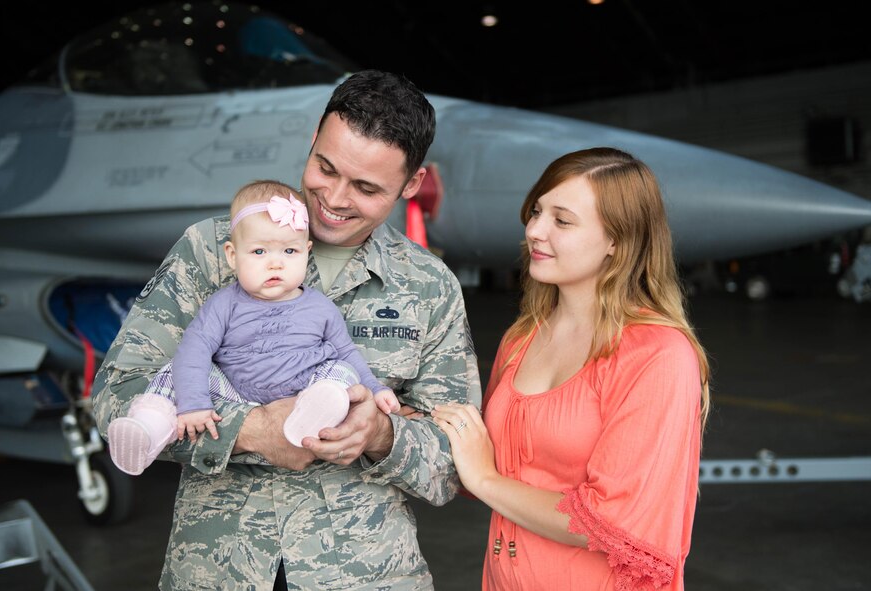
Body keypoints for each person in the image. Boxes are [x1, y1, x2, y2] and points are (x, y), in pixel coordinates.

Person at [92, 70, 481, 590]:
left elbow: (454, 463)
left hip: (364, 573)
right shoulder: (213, 250)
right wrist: (252, 431)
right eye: (325, 167)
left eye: (366, 187)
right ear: (312, 142)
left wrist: (380, 434)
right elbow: (116, 396)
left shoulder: (430, 286)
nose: (335, 198)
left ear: (411, 185)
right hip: (218, 571)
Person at [432, 148, 710, 591]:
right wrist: (395, 421)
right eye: (537, 212)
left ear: (618, 241)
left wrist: (484, 479)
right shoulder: (521, 339)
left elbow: (610, 520)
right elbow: (482, 460)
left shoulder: (658, 354)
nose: (535, 231)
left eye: (562, 221)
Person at [105, 182, 401, 477]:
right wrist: (194, 403)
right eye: (259, 251)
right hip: (234, 393)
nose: (275, 263)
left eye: (289, 250)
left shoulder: (321, 308)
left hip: (304, 391)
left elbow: (347, 351)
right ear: (233, 256)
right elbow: (195, 349)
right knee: (177, 369)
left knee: (340, 371)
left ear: (305, 252)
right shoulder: (224, 304)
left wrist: (375, 389)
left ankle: (315, 414)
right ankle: (148, 426)